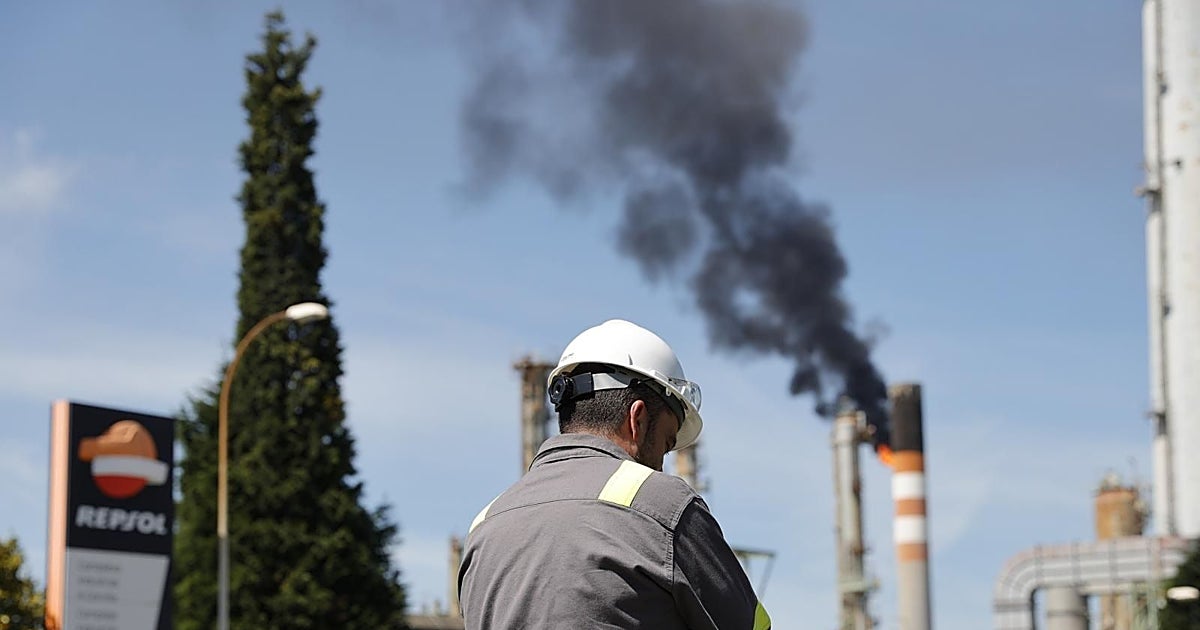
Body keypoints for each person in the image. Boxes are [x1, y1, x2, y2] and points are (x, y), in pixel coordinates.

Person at [458, 319, 771, 629]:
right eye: (665, 443)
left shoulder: (484, 526)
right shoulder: (662, 506)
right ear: (638, 419)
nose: (661, 464)